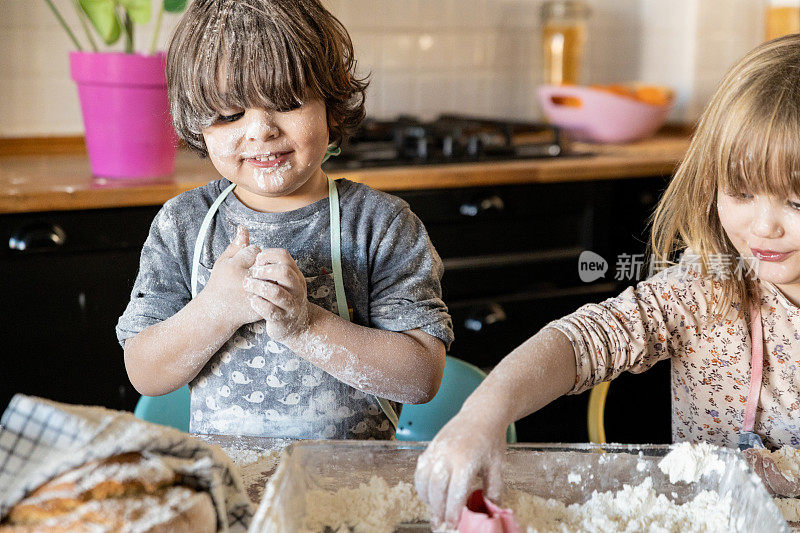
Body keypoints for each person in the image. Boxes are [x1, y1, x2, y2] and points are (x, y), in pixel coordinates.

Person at [415, 33, 800, 529]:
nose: (763, 227)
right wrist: (483, 416)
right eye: (742, 192)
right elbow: (581, 342)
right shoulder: (708, 290)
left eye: (796, 202)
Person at [117, 0, 453, 440]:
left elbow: (420, 376)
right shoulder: (184, 225)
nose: (260, 130)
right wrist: (216, 309)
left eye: (287, 103)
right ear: (199, 126)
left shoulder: (380, 225)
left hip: (349, 486)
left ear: (331, 108)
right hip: (231, 489)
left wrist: (305, 325)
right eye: (230, 114)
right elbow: (145, 372)